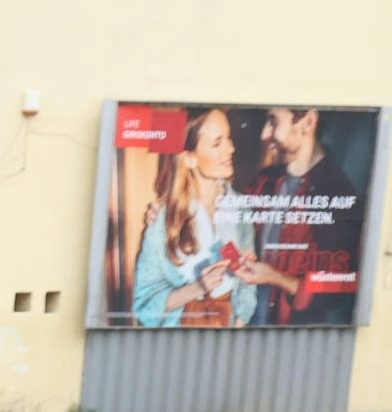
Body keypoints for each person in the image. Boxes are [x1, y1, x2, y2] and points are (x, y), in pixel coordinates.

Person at [128, 106, 294, 327]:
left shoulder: (240, 209)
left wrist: (238, 325)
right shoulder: (163, 218)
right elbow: (145, 305)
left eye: (228, 138)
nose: (231, 148)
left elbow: (246, 290)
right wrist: (198, 288)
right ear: (189, 159)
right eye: (217, 143)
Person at [244, 107, 364, 325]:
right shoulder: (264, 182)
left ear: (308, 123)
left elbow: (340, 288)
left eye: (273, 122)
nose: (264, 134)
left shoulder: (338, 195)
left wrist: (276, 278)